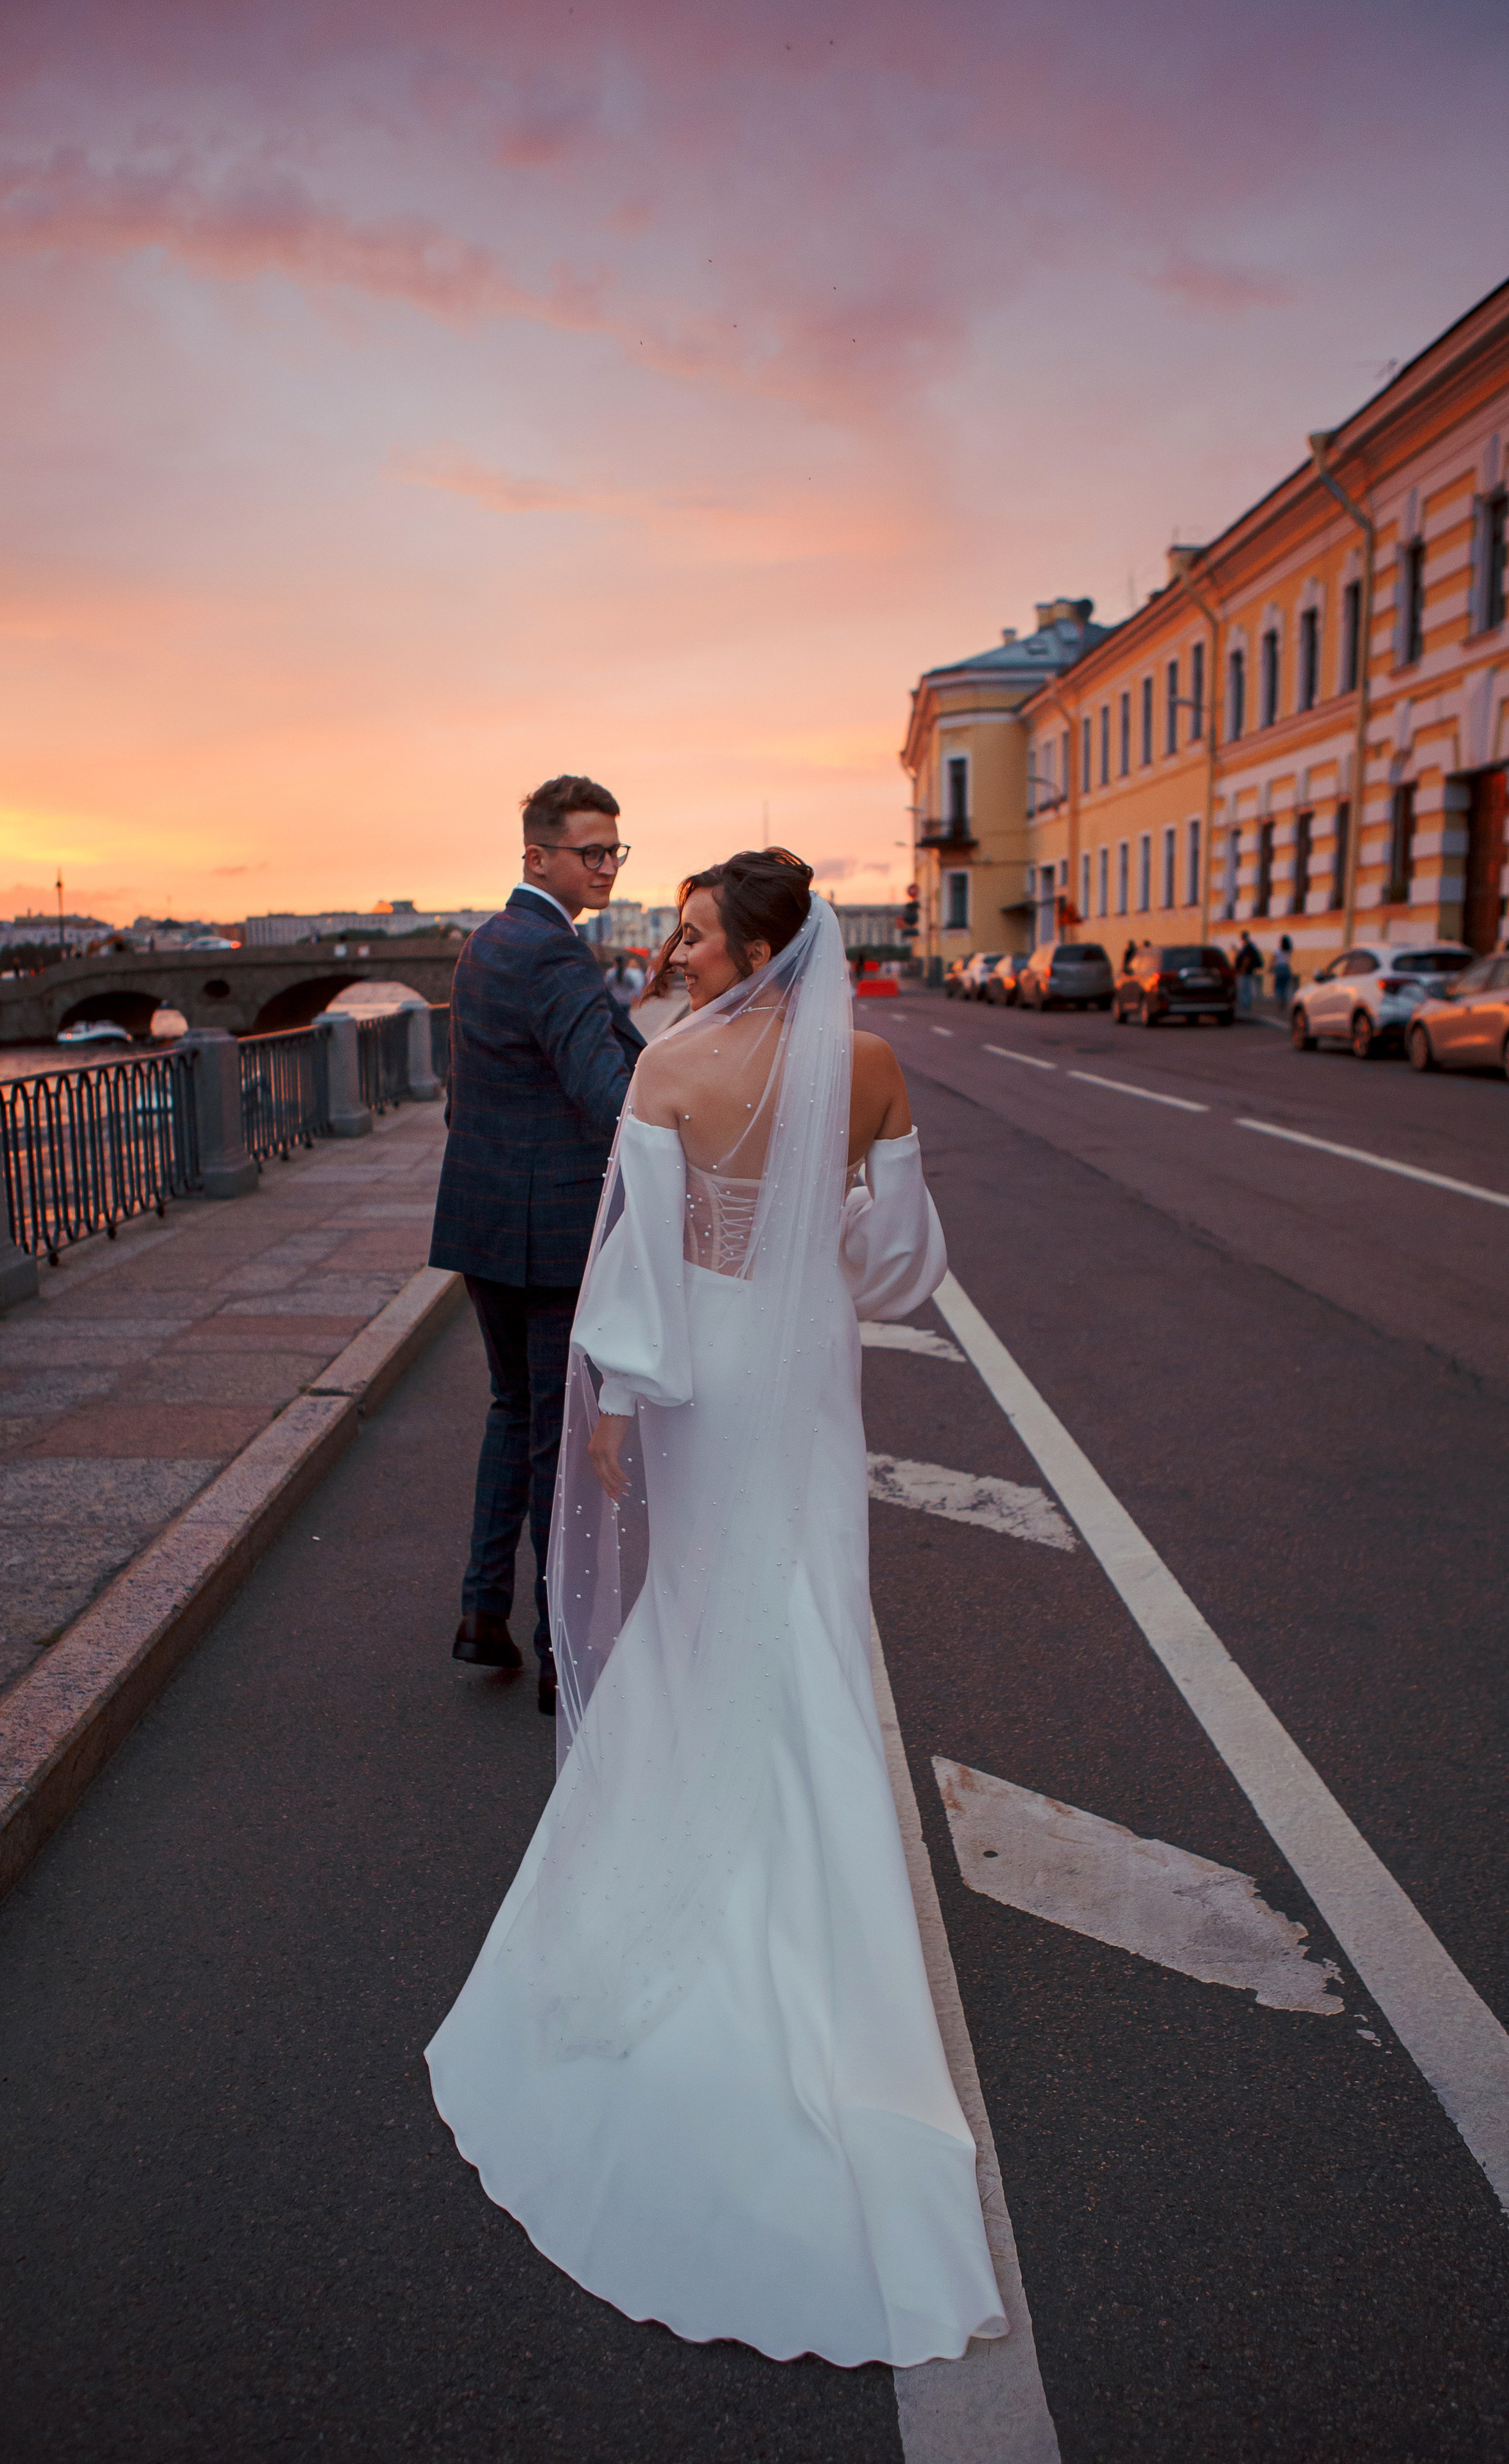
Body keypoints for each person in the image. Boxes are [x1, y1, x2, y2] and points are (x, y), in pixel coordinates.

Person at [427, 850, 1007, 2367]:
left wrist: (618, 1399)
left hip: (706, 1385)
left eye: (689, 931)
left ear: (751, 941)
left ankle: (681, 1873)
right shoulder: (868, 1065)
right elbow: (895, 1267)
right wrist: (825, 1237)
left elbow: (641, 1271)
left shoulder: (672, 1068)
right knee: (808, 1615)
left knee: (694, 1616)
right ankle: (822, 1917)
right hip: (805, 1372)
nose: (672, 952)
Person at [429, 776, 644, 1716]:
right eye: (590, 852)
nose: (604, 867)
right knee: (556, 1438)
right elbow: (608, 1098)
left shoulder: (486, 942)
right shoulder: (556, 954)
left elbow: (468, 1085)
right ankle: (564, 1648)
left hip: (482, 1220)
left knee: (512, 1412)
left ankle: (484, 1615)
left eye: (614, 852)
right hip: (551, 1230)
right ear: (538, 856)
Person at [1235, 928, 1262, 1014]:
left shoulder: (1247, 947)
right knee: (1246, 989)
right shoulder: (1248, 946)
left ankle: (1245, 1006)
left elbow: (1247, 959)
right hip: (1248, 971)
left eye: (1241, 937)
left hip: (1245, 972)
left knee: (1244, 989)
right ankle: (1246, 1005)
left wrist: (1243, 968)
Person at [1273, 933, 1295, 1011]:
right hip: (1286, 969)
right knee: (1285, 987)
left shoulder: (1277, 951)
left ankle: (1279, 1003)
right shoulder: (1289, 951)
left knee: (1278, 987)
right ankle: (1284, 1003)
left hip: (1279, 969)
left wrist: (1272, 969)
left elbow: (1274, 961)